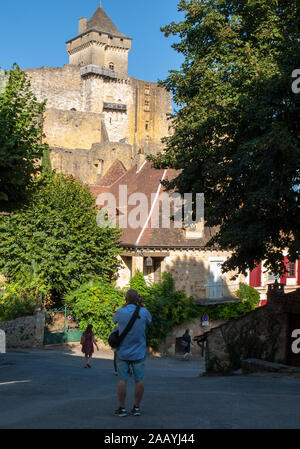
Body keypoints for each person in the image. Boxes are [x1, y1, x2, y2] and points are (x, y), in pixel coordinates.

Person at [113, 289, 152, 417]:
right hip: (139, 352)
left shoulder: (120, 311)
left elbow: (115, 322)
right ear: (138, 299)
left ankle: (122, 408)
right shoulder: (144, 312)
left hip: (123, 352)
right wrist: (141, 305)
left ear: (126, 299)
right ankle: (136, 408)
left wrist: (125, 305)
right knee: (139, 380)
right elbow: (149, 321)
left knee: (122, 380)